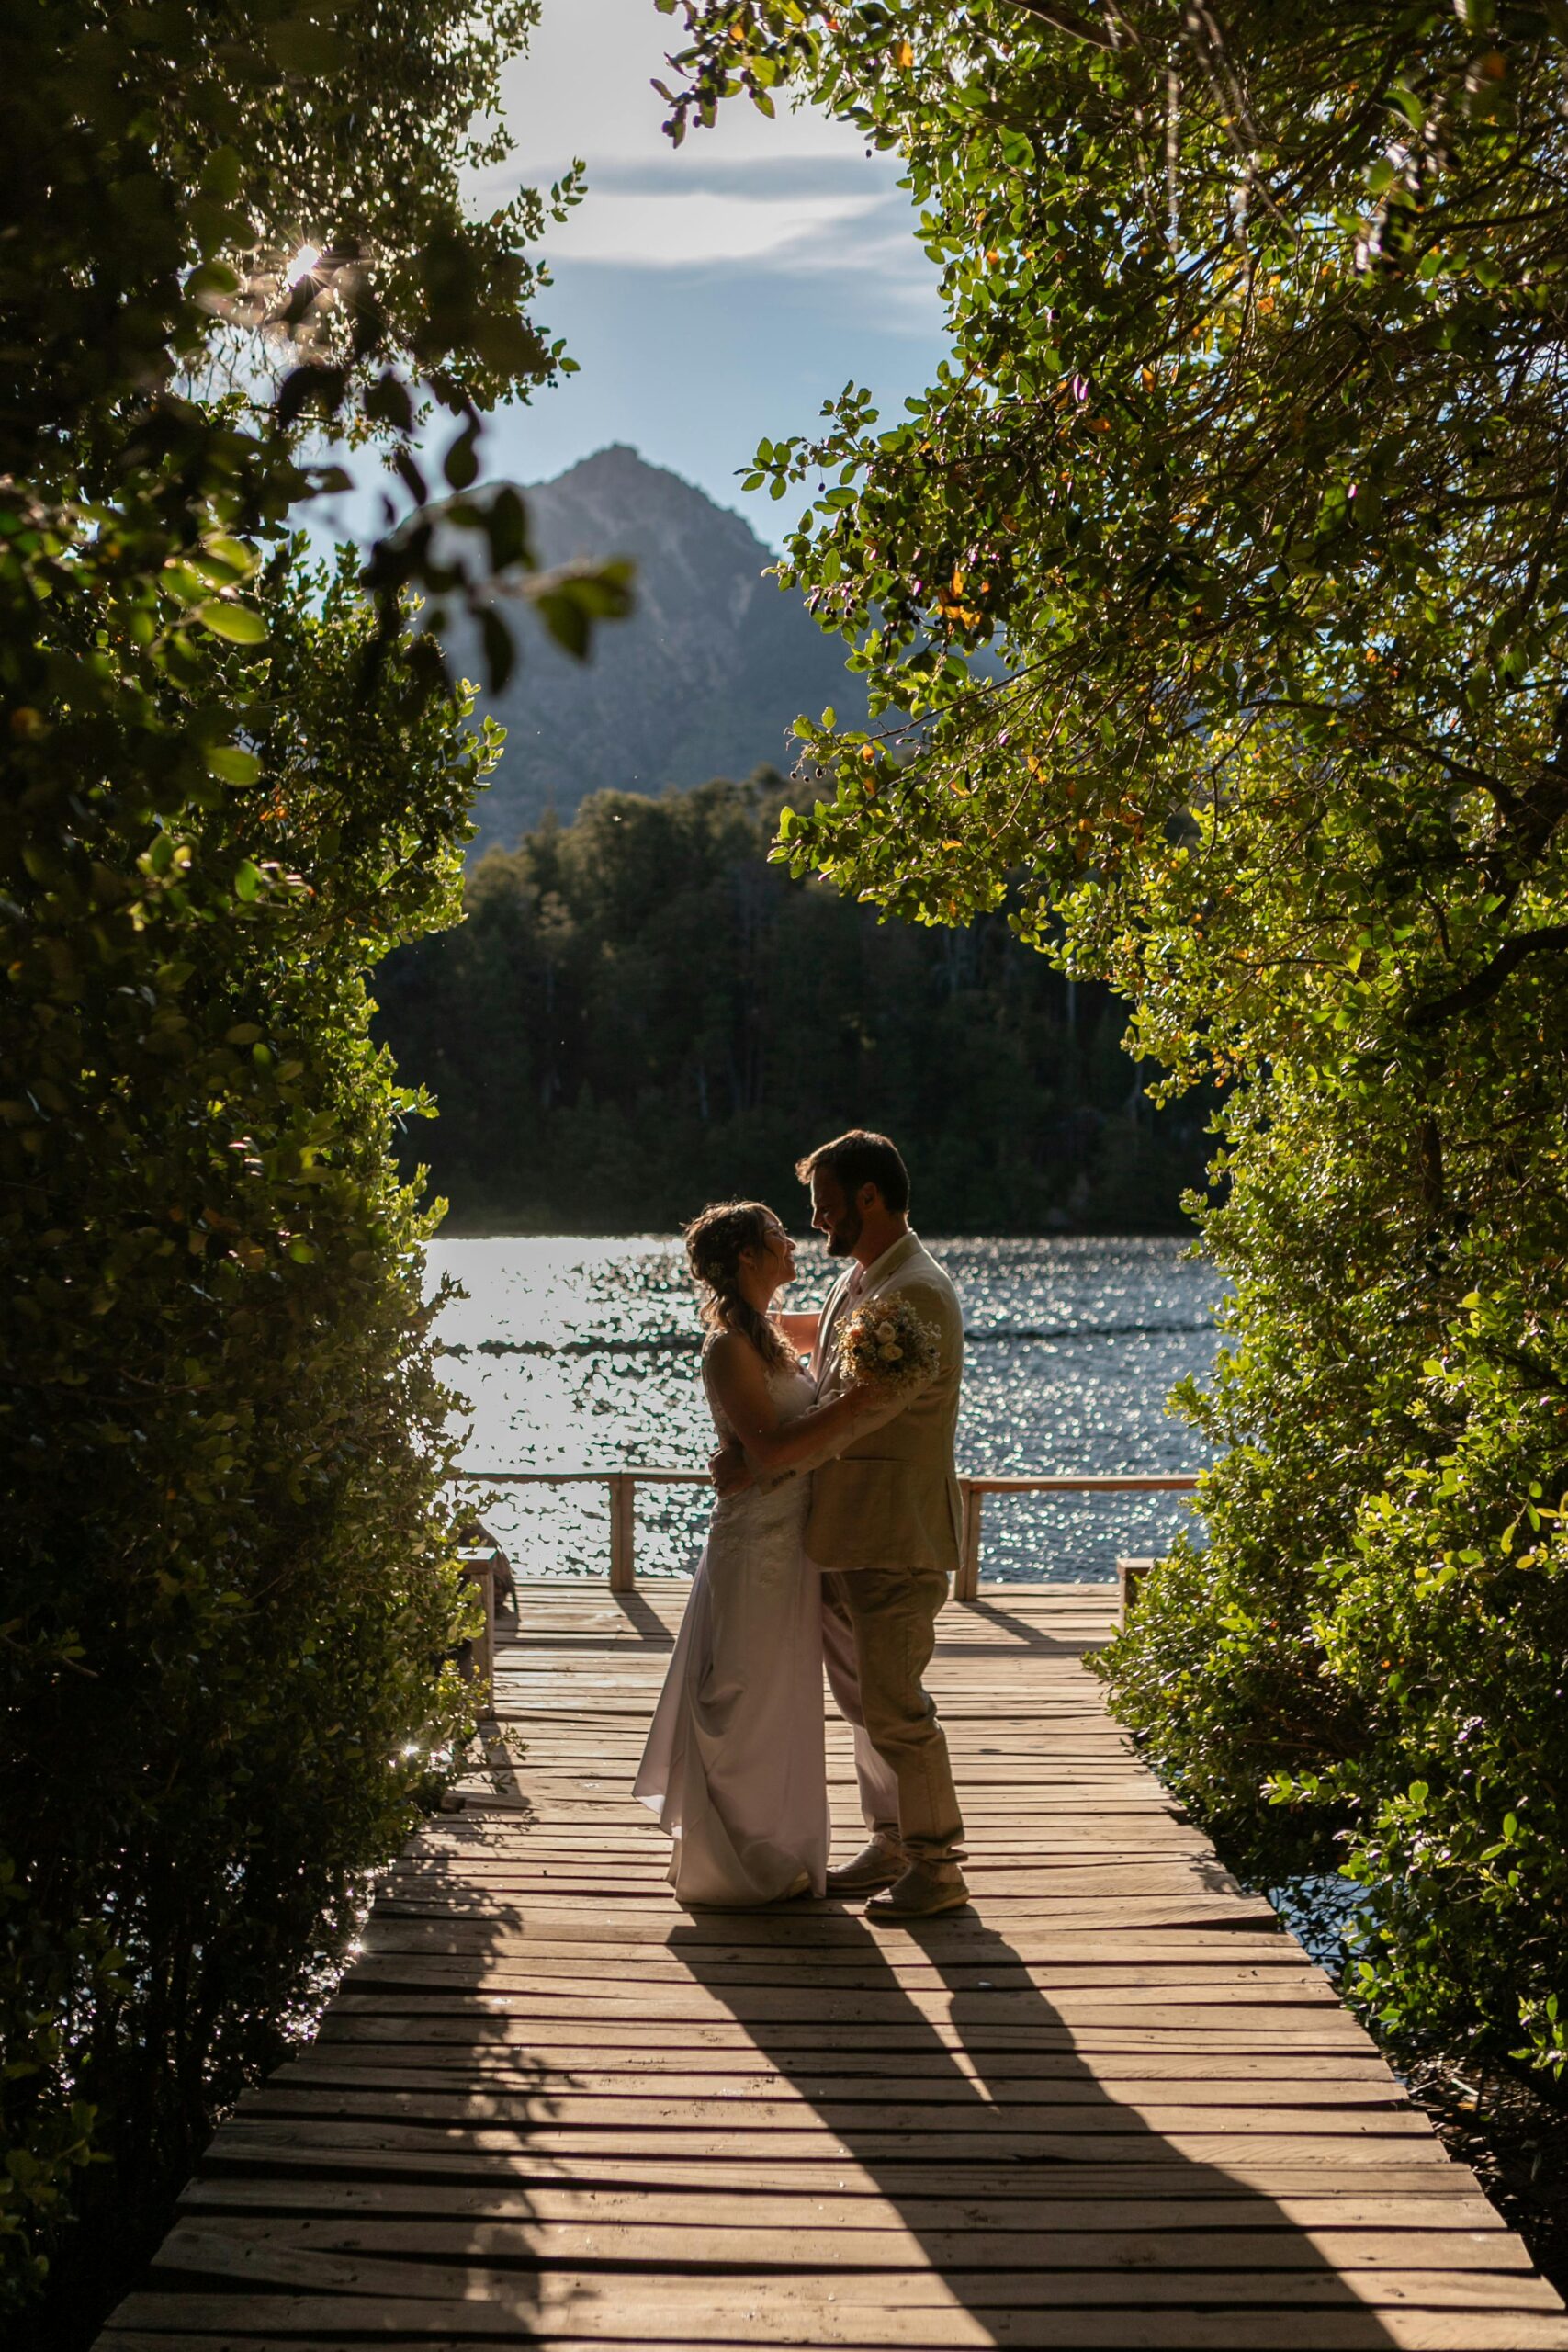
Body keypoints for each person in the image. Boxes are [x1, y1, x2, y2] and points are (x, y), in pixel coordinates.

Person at [715, 1130, 970, 1922]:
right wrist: (736, 1330)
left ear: (868, 1197)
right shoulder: (861, 1281)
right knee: (866, 1705)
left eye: (824, 1205)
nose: (816, 1220)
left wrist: (762, 1463)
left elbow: (855, 1417)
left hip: (895, 1536)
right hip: (842, 1535)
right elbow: (822, 1373)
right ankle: (891, 1840)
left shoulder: (915, 1295)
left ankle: (936, 1866)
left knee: (897, 1707)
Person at [634, 1200, 878, 1907]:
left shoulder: (769, 1333)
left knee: (783, 1700)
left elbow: (840, 1333)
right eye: (779, 1239)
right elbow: (768, 1451)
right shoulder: (727, 1348)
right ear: (747, 1257)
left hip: (792, 1545)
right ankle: (731, 1859)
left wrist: (885, 1325)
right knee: (737, 1695)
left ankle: (778, 1847)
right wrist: (856, 1408)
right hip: (754, 1546)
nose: (793, 1249)